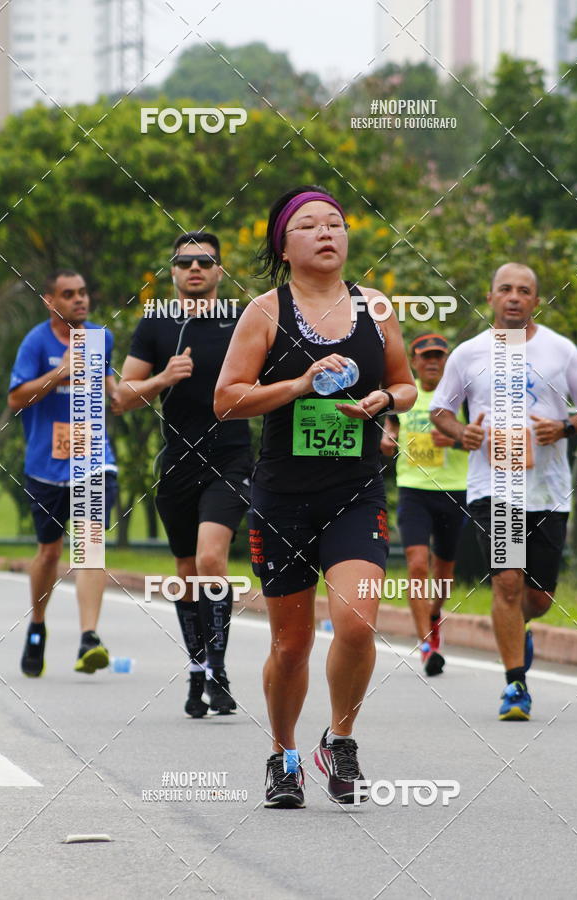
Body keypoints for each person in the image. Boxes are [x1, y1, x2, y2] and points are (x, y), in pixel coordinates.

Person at [214, 185, 417, 808]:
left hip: (355, 491)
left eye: (336, 223)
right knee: (291, 644)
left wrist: (385, 401)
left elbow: (407, 386)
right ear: (285, 243)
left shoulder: (377, 308)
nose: (327, 233)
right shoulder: (264, 313)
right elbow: (227, 399)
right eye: (309, 225)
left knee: (357, 621)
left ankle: (341, 739)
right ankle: (283, 755)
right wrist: (300, 383)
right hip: (282, 497)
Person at [430, 262, 577, 720]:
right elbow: (440, 409)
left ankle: (519, 628)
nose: (514, 297)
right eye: (505, 288)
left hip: (549, 490)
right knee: (506, 581)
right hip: (494, 488)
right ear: (490, 297)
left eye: (524, 291)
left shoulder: (559, 351)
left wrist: (564, 428)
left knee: (537, 598)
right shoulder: (468, 353)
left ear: (535, 301)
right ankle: (515, 686)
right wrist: (462, 432)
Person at [117, 231, 252, 718]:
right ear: (172, 272)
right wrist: (163, 378)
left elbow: (272, 379)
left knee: (212, 560)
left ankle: (218, 670)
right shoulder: (155, 325)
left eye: (205, 261)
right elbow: (123, 396)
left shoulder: (242, 319)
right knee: (186, 573)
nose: (195, 268)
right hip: (176, 463)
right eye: (184, 261)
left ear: (219, 270)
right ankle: (196, 670)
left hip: (232, 458)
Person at [8, 269, 119, 676]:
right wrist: (60, 372)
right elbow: (17, 398)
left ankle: (89, 637)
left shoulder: (100, 339)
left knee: (90, 544)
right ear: (51, 301)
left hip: (93, 459)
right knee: (50, 552)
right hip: (45, 467)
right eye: (69, 294)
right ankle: (37, 626)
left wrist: (160, 380)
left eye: (84, 293)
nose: (80, 300)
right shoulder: (36, 342)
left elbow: (112, 392)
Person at [381, 333, 468, 676]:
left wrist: (457, 439)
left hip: (454, 490)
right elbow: (389, 429)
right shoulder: (405, 396)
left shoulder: (460, 397)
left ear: (446, 362)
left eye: (438, 357)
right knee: (417, 564)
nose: (432, 362)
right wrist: (386, 440)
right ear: (414, 362)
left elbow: (480, 440)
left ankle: (434, 614)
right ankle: (427, 646)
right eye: (425, 356)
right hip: (413, 490)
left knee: (443, 572)